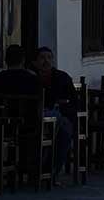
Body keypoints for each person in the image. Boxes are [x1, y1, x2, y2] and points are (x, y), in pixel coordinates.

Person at [32, 47, 75, 181]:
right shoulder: (31, 78)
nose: (46, 61)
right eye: (42, 58)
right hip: (35, 118)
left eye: (49, 57)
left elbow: (73, 101)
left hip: (60, 116)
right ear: (35, 62)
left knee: (64, 132)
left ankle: (51, 171)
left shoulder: (62, 77)